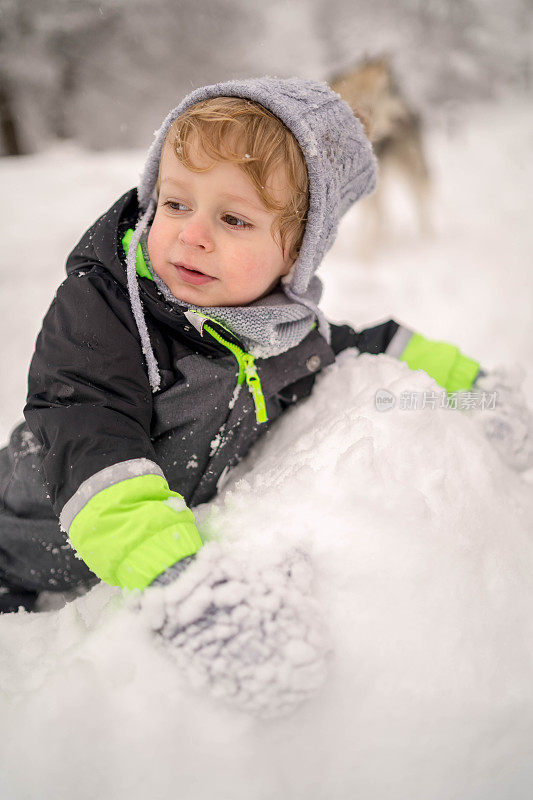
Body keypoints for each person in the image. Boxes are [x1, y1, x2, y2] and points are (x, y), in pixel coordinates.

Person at [0, 77, 531, 617]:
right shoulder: (105, 310)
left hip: (119, 555)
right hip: (20, 537)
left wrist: (475, 391)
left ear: (295, 255)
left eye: (233, 219)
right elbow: (91, 434)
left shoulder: (274, 331)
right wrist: (177, 579)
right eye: (177, 203)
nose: (192, 234)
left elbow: (365, 345)